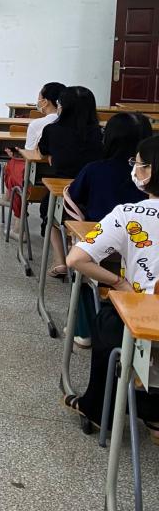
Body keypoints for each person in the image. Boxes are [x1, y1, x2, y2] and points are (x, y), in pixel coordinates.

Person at [63, 136, 159, 440]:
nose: (134, 169)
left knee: (107, 318)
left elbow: (75, 259)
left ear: (150, 171)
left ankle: (97, 407)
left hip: (145, 325)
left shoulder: (129, 214)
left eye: (138, 164)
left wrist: (118, 283)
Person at [65, 111, 152, 347]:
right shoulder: (149, 182)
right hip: (142, 261)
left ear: (109, 138)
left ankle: (84, 330)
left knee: (81, 270)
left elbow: (73, 197)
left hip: (101, 257)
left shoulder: (94, 170)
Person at [29, 85, 103, 277]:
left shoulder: (52, 130)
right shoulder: (100, 133)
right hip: (95, 193)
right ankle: (79, 251)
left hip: (65, 193)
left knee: (50, 210)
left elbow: (41, 153)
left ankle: (60, 260)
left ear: (63, 107)